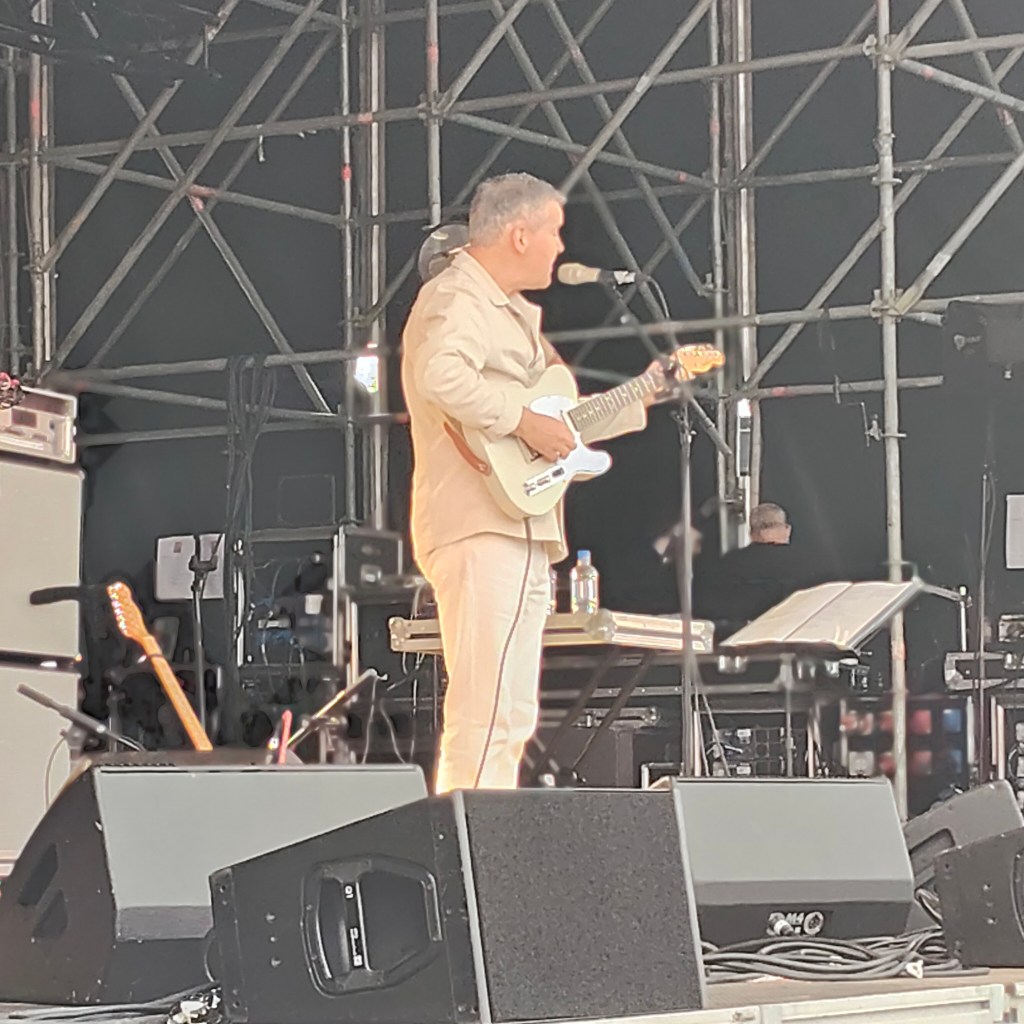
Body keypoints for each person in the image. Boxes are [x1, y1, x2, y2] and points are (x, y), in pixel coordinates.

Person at [401, 172, 664, 793]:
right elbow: (441, 376)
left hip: (518, 523)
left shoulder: (511, 314)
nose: (560, 247)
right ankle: (465, 837)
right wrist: (521, 421)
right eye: (553, 232)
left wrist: (645, 394)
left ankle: (484, 829)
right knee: (485, 709)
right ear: (519, 235)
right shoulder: (457, 296)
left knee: (511, 712)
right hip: (477, 522)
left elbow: (558, 423)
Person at [694, 502, 805, 634]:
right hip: (782, 635)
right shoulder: (798, 564)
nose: (788, 530)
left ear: (751, 532)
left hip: (732, 635)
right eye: (785, 526)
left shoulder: (729, 561)